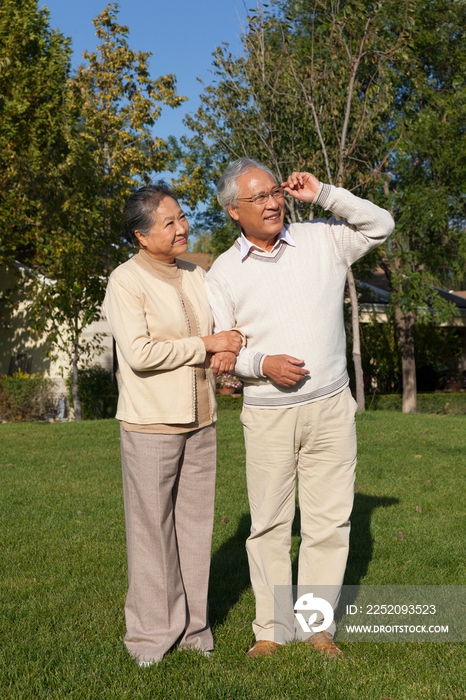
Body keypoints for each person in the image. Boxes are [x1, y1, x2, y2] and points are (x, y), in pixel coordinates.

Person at [205, 159, 394, 658]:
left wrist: (325, 193)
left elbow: (381, 224)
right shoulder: (222, 273)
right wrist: (262, 363)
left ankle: (316, 628)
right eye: (258, 197)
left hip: (331, 407)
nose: (272, 202)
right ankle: (270, 629)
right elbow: (221, 352)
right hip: (268, 413)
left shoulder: (321, 239)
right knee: (267, 523)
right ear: (232, 211)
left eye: (275, 192)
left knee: (328, 523)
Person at [103, 183, 242, 666]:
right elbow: (139, 355)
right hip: (150, 425)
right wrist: (207, 344)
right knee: (151, 534)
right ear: (142, 236)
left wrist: (228, 345)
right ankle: (149, 639)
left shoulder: (195, 274)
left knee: (194, 529)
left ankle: (193, 631)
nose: (183, 227)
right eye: (169, 222)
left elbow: (229, 324)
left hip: (202, 420)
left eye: (182, 217)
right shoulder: (125, 280)